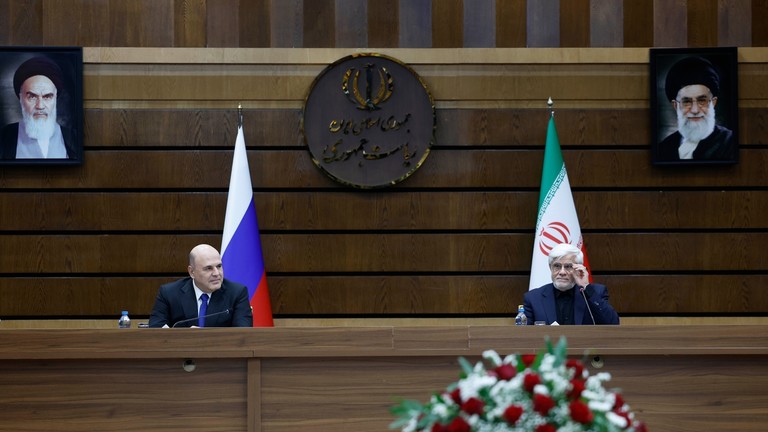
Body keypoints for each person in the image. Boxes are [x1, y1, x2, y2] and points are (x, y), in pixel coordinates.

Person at [148, 244, 253, 328]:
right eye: (208, 268)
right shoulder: (169, 293)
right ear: (192, 272)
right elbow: (156, 328)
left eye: (219, 266)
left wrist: (204, 338)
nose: (217, 273)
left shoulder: (237, 293)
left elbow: (242, 334)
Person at [657, 56, 735, 161]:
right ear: (676, 106)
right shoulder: (664, 149)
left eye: (702, 100)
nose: (695, 110)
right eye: (687, 102)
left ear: (713, 102)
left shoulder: (730, 142)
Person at [0, 56, 77, 159]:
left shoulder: (73, 139)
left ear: (55, 98)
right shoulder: (4, 138)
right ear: (20, 98)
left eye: (47, 97)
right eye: (32, 96)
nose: (40, 106)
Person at [524, 243, 619, 325]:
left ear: (579, 268)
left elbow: (613, 323)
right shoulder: (533, 298)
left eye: (568, 266)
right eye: (557, 266)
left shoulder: (596, 292)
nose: (562, 272)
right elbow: (524, 335)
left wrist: (586, 288)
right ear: (550, 268)